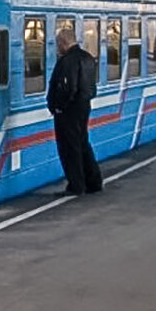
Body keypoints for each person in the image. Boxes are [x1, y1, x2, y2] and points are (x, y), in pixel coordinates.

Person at [47, 27, 103, 196]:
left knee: (69, 149)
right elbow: (91, 87)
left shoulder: (67, 61)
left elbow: (67, 88)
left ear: (64, 43)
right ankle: (94, 182)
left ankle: (76, 186)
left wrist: (58, 106)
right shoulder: (87, 58)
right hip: (84, 107)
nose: (57, 47)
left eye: (58, 43)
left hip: (68, 111)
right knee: (83, 144)